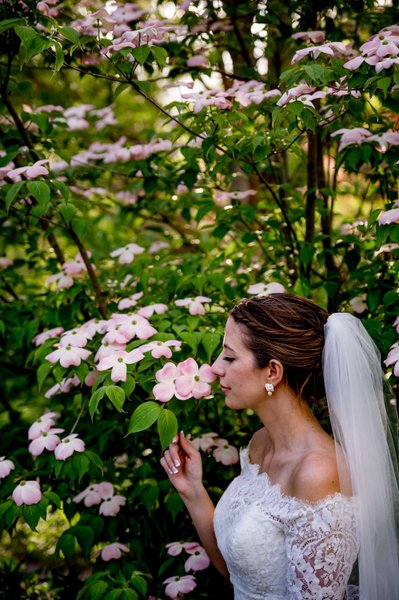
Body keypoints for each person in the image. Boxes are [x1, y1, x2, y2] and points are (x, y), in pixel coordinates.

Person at [161, 293, 399, 600]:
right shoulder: (260, 443)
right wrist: (192, 491)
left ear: (273, 371)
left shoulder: (318, 474)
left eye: (230, 357)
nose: (216, 367)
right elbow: (244, 578)